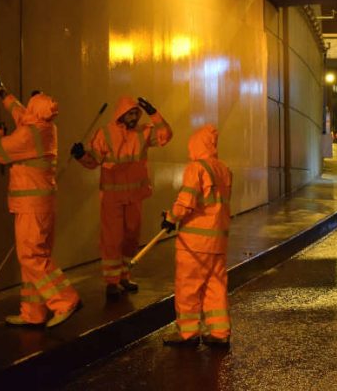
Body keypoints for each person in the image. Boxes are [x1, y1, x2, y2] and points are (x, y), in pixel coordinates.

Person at [0, 78, 81, 328]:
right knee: (34, 257)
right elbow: (21, 113)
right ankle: (33, 313)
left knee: (31, 256)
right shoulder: (44, 127)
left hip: (31, 205)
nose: (25, 110)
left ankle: (65, 300)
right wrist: (2, 93)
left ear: (35, 111)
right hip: (41, 204)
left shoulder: (29, 136)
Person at [71, 96, 172, 297]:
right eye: (130, 113)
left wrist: (154, 112)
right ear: (121, 114)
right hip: (112, 197)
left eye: (136, 113)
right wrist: (81, 155)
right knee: (112, 239)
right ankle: (111, 281)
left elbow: (166, 135)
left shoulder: (144, 132)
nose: (134, 117)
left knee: (131, 237)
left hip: (134, 197)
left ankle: (124, 276)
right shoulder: (105, 134)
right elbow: (94, 162)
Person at [160, 124, 232, 347]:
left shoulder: (196, 169)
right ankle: (220, 333)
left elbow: (186, 201)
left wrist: (170, 218)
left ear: (195, 145)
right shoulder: (224, 170)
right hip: (217, 242)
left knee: (188, 288)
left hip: (194, 243)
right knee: (215, 287)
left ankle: (188, 334)